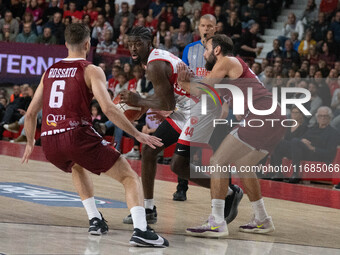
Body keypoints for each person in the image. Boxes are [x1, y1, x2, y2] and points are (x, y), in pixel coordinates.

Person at [21, 23, 168, 248]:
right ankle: (141, 230)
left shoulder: (49, 72)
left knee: (77, 166)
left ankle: (95, 220)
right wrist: (137, 134)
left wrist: (31, 141)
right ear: (88, 44)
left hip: (49, 140)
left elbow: (31, 113)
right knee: (129, 177)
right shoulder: (91, 69)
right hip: (76, 134)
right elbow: (108, 109)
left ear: (66, 44)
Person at [120, 26, 243, 225]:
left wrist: (140, 100)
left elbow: (166, 104)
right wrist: (143, 104)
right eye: (130, 44)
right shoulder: (151, 61)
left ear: (149, 44)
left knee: (178, 165)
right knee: (149, 151)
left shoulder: (154, 65)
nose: (133, 48)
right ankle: (148, 209)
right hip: (184, 107)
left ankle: (229, 192)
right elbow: (166, 97)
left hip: (200, 107)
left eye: (138, 44)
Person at [176, 34, 286, 237]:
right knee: (245, 166)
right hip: (275, 117)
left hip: (262, 114)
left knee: (218, 161)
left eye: (207, 50)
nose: (205, 54)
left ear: (217, 50)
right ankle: (262, 218)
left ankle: (217, 221)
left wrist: (181, 82)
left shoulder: (226, 61)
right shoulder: (231, 71)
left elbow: (201, 89)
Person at [177, 14, 244, 212]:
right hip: (194, 102)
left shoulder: (222, 51)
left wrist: (225, 104)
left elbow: (226, 82)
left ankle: (228, 192)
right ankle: (182, 188)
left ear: (216, 28)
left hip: (215, 102)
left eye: (210, 26)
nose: (206, 29)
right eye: (203, 25)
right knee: (185, 147)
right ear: (198, 28)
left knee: (219, 151)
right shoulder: (190, 49)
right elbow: (183, 75)